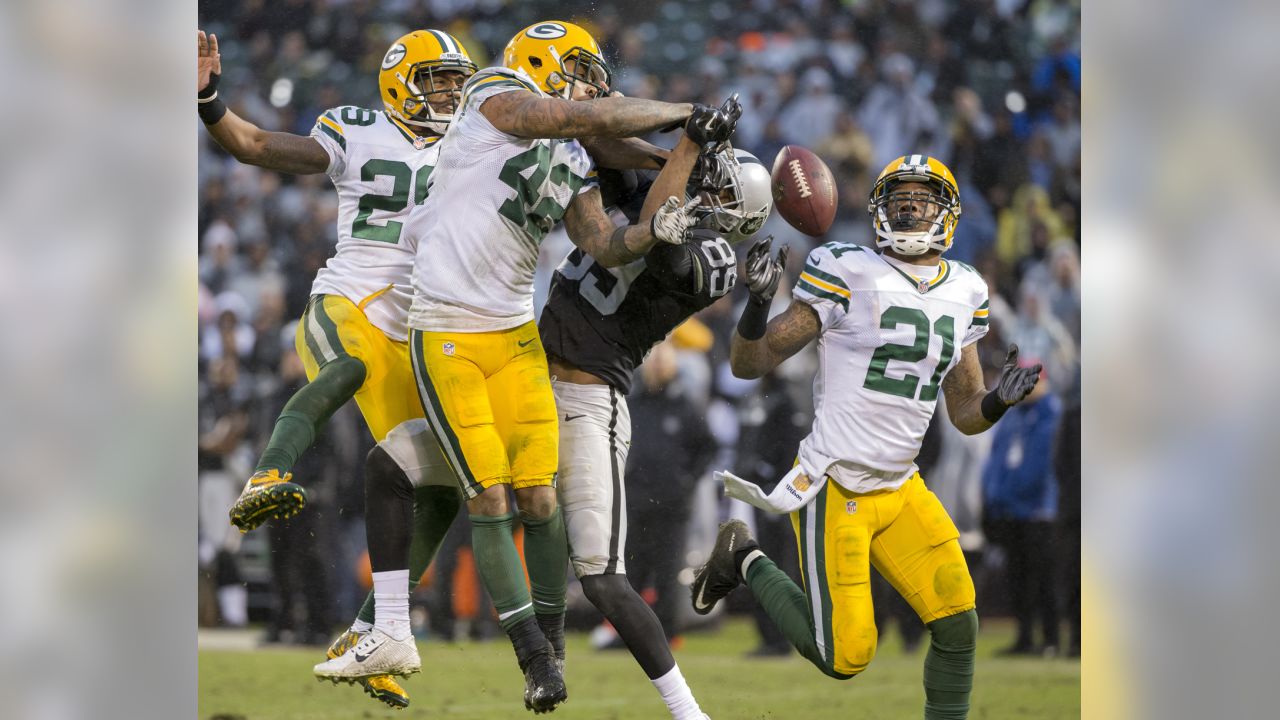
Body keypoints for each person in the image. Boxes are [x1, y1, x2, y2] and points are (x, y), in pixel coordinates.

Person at [317, 20, 739, 714]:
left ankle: (540, 650)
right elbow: (573, 114)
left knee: (538, 500)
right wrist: (682, 121)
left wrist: (655, 223)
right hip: (447, 329)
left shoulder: (573, 161)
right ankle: (496, 651)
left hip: (515, 336)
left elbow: (605, 243)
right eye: (579, 67)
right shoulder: (494, 93)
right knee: (472, 492)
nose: (592, 82)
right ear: (540, 61)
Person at [689, 155, 1043, 720]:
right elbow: (749, 362)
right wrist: (757, 305)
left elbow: (965, 412)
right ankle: (745, 555)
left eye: (920, 199)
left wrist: (999, 399)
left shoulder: (966, 290)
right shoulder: (848, 269)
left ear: (947, 215)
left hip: (901, 486)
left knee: (958, 619)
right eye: (897, 197)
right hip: (838, 483)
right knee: (846, 656)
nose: (906, 207)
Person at [198, 28, 479, 709]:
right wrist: (208, 98)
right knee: (346, 367)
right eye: (436, 80)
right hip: (352, 299)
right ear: (397, 82)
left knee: (440, 480)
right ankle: (268, 471)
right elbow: (257, 145)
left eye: (454, 81)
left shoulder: (475, 145)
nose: (448, 93)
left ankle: (374, 632)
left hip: (423, 324)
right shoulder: (356, 128)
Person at [540, 145, 771, 718]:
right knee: (501, 501)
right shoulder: (657, 195)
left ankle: (688, 712)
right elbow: (604, 148)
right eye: (702, 177)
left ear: (735, 214)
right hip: (529, 375)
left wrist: (665, 203)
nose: (698, 188)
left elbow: (667, 254)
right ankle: (532, 655)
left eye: (715, 189)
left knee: (603, 578)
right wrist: (673, 132)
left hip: (590, 397)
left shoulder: (714, 259)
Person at [981, 363, 1062, 656]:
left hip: (1039, 511)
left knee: (1043, 580)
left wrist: (1008, 495)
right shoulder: (1013, 415)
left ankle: (1051, 639)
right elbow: (995, 458)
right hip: (1011, 512)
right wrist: (993, 495)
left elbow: (1040, 467)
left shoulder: (1051, 413)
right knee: (1018, 579)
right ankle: (1025, 637)